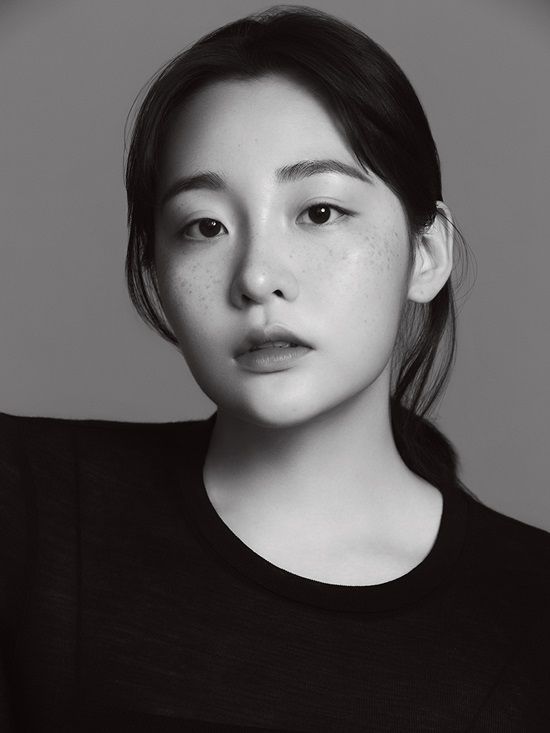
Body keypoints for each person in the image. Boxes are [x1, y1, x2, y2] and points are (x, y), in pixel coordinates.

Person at [1, 5, 549, 731]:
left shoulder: (530, 610)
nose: (257, 277)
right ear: (156, 273)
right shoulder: (30, 507)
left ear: (426, 254)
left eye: (319, 212)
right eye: (205, 226)